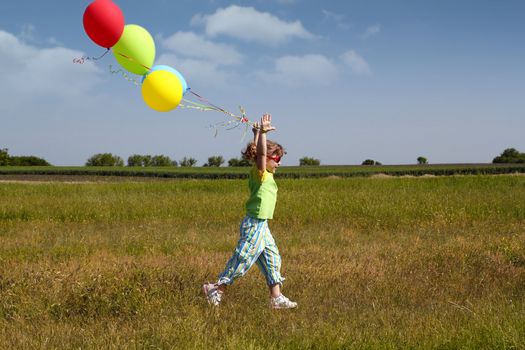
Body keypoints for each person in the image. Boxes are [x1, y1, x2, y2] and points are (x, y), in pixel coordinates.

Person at [203, 113, 297, 309]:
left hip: (263, 224)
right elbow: (260, 155)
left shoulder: (266, 172)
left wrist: (256, 134)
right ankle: (216, 288)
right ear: (267, 158)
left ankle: (276, 298)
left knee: (273, 259)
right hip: (254, 223)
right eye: (276, 158)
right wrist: (262, 133)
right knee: (243, 258)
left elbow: (258, 153)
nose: (279, 162)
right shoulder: (260, 173)